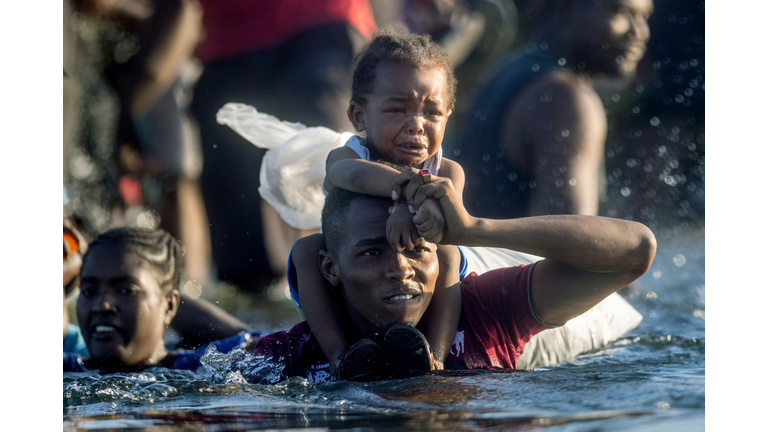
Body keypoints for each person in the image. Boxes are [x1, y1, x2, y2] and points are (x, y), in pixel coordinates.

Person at [246, 174, 656, 383]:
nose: (401, 268)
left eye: (417, 249)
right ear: (331, 270)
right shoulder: (296, 353)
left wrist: (474, 229)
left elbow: (635, 250)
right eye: (373, 252)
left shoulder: (486, 312)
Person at [288, 30, 466, 380]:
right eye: (397, 109)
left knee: (449, 253)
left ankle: (435, 356)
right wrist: (405, 193)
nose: (417, 125)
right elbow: (351, 176)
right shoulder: (347, 155)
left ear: (448, 116)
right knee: (306, 250)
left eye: (432, 113)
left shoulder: (447, 170)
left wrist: (410, 207)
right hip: (352, 270)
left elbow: (444, 218)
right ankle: (340, 357)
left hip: (419, 276)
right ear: (358, 116)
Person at [189, 0, 378, 292]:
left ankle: (348, 286)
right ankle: (257, 297)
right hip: (229, 44)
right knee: (238, 220)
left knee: (328, 166)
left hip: (319, 25)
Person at [454, 0, 654, 219]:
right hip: (511, 254)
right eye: (621, 12)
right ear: (565, 8)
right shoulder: (565, 99)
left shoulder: (511, 67)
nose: (640, 32)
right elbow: (576, 243)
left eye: (644, 17)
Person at [64, 227, 258, 373]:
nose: (102, 306)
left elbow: (269, 345)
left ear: (170, 305)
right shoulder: (67, 370)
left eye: (125, 290)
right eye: (89, 291)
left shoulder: (203, 367)